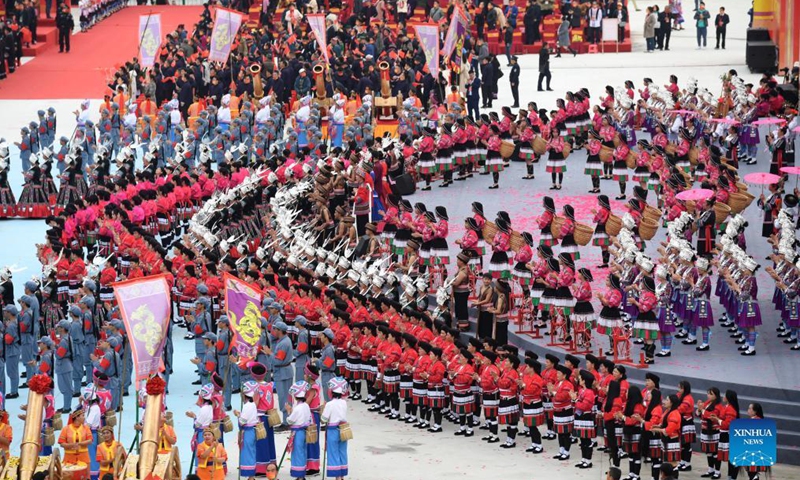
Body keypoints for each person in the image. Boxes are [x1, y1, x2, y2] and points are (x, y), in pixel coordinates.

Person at [321, 377, 349, 480]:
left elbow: (324, 419)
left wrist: (323, 409)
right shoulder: (344, 403)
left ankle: (337, 477)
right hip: (343, 429)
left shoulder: (329, 404)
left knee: (333, 452)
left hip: (333, 430)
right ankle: (342, 476)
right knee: (342, 451)